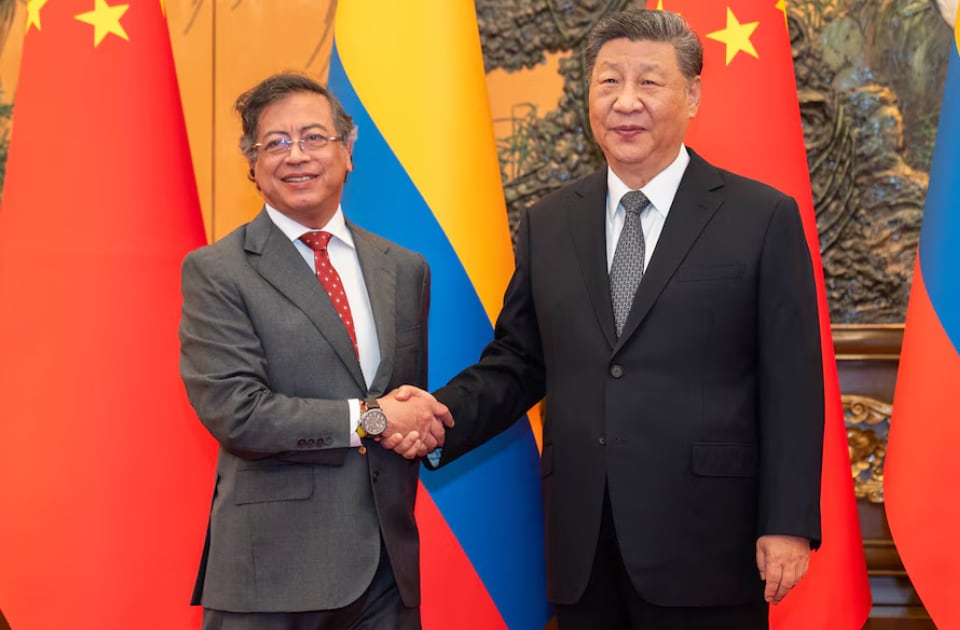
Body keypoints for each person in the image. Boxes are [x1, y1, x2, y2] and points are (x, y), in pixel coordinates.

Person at [405, 9, 825, 630]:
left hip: (708, 544)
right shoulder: (550, 222)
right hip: (584, 545)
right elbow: (520, 362)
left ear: (693, 95)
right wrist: (437, 418)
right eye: (608, 82)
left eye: (649, 82)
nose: (626, 101)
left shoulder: (760, 217)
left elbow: (792, 383)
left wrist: (788, 523)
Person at [179, 73, 451, 630]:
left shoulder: (405, 269)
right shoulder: (217, 271)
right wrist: (374, 419)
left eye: (313, 137)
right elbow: (239, 412)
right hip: (272, 580)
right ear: (252, 165)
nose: (295, 155)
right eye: (275, 142)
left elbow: (404, 398)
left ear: (348, 152)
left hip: (386, 577)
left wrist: (421, 423)